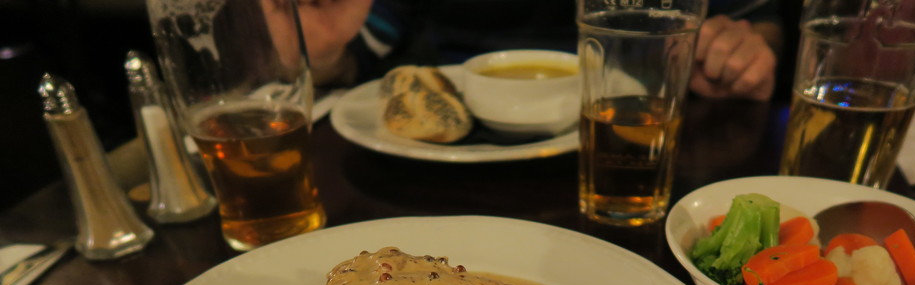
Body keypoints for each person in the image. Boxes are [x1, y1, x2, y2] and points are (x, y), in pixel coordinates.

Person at [293, 0, 783, 101]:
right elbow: (363, 45)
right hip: (436, 175)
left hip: (644, 137)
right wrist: (322, 54)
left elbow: (760, 20)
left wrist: (743, 51)